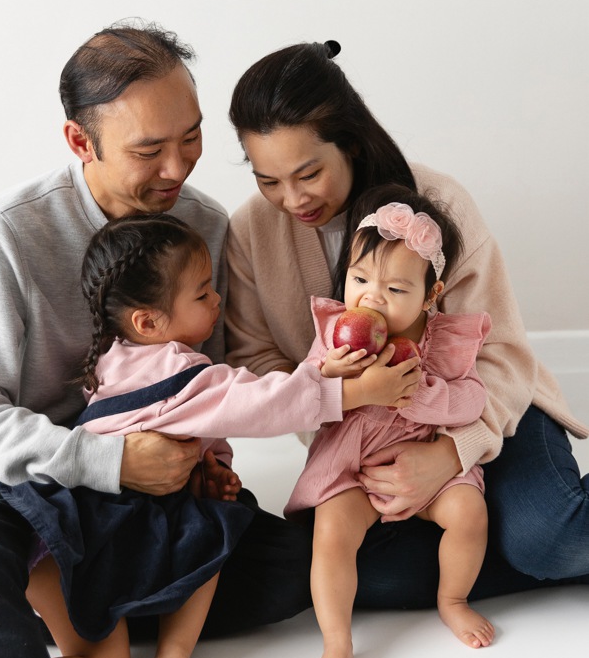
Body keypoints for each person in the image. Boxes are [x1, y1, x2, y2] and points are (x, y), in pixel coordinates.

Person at [0, 23, 315, 658]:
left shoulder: (201, 223)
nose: (176, 168)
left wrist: (208, 457)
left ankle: (1, 654)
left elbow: (211, 371)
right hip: (30, 468)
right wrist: (105, 460)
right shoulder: (8, 230)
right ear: (79, 139)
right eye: (147, 151)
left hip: (146, 485)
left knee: (295, 567)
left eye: (192, 138)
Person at [0, 209, 368, 658]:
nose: (216, 305)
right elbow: (255, 403)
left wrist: (215, 469)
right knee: (215, 531)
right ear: (149, 320)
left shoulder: (121, 356)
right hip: (85, 538)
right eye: (204, 294)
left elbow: (208, 428)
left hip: (60, 535)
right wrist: (346, 390)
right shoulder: (180, 370)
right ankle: (168, 655)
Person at [226, 38, 588, 614]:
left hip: (491, 408)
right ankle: (485, 551)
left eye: (308, 173)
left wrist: (451, 454)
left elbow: (504, 358)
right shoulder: (250, 231)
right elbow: (259, 360)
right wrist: (341, 406)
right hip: (366, 441)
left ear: (349, 140)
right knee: (353, 576)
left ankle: (524, 544)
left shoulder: (436, 204)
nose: (291, 199)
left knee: (551, 539)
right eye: (269, 181)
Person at [284, 185, 494, 658]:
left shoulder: (442, 340)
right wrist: (330, 374)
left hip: (428, 463)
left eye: (396, 290)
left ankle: (453, 599)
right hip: (353, 468)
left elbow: (473, 400)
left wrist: (419, 395)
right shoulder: (337, 333)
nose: (370, 298)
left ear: (431, 294)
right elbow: (299, 391)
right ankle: (337, 642)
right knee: (331, 533)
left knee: (469, 512)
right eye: (359, 279)